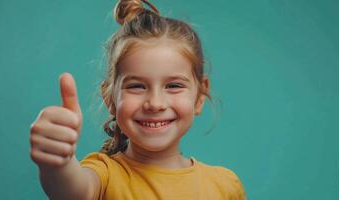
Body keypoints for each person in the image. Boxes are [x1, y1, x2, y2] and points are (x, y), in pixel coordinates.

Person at [29, 0, 246, 199]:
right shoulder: (103, 175)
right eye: (136, 86)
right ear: (110, 98)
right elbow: (72, 191)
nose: (155, 103)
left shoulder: (225, 185)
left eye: (173, 86)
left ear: (199, 96)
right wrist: (57, 165)